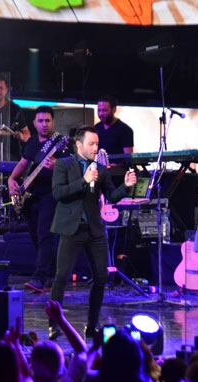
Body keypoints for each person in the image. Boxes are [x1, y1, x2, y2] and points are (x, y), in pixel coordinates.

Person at [49, 126, 136, 339]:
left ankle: (92, 324)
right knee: (61, 276)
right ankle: (54, 324)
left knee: (101, 276)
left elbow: (112, 196)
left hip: (94, 230)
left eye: (97, 144)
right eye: (91, 143)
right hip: (71, 228)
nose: (96, 148)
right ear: (79, 145)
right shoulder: (64, 164)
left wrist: (125, 186)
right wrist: (83, 181)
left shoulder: (101, 168)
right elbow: (58, 193)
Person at [8, 106, 70, 292]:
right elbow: (23, 163)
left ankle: (39, 278)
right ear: (34, 123)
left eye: (48, 121)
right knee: (36, 236)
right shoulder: (33, 142)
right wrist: (12, 179)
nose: (44, 124)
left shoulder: (60, 143)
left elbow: (72, 166)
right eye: (40, 121)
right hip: (31, 195)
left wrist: (57, 165)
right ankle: (50, 273)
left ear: (53, 122)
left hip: (50, 194)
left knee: (45, 235)